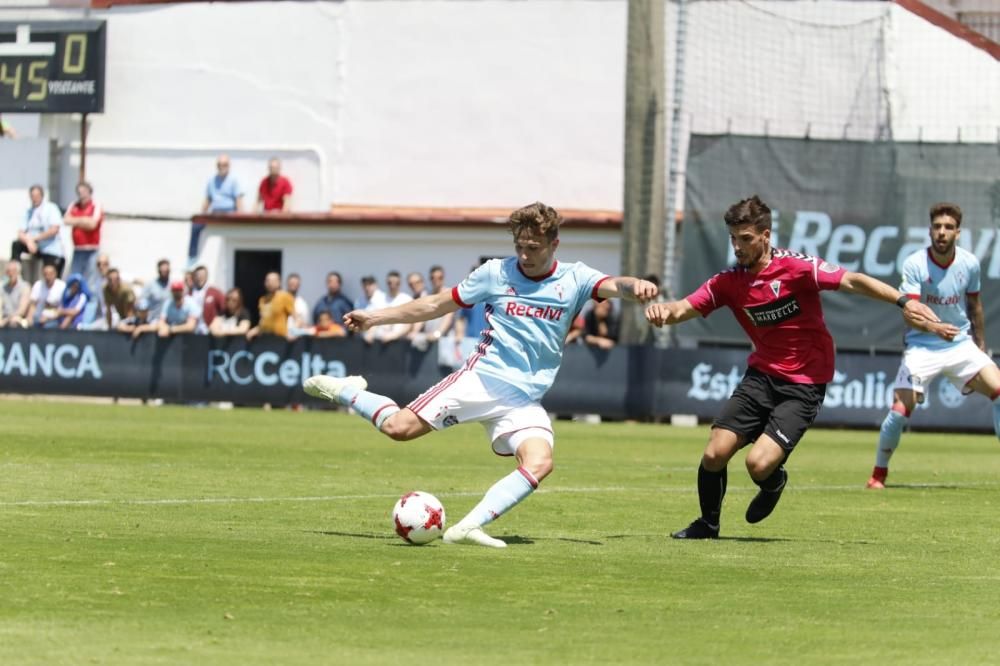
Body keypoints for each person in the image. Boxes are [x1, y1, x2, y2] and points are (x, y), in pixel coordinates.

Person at [304, 202, 658, 548]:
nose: (525, 255)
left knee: (541, 461)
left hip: (524, 399)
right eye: (519, 246)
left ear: (554, 244)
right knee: (399, 428)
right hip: (480, 380)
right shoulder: (494, 273)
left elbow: (616, 285)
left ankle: (468, 527)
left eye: (533, 247)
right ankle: (347, 391)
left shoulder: (576, 278)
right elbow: (435, 304)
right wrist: (376, 316)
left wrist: (637, 286)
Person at [644, 195, 940, 539]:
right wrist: (664, 310)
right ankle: (707, 524)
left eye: (746, 239)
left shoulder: (798, 268)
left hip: (804, 383)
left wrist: (904, 301)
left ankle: (773, 483)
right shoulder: (729, 281)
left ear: (765, 236)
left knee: (758, 465)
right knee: (714, 453)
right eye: (733, 239)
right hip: (760, 377)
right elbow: (685, 307)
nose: (737, 247)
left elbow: (853, 280)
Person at [867, 202, 1000, 489]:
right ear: (929, 231)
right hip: (922, 346)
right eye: (937, 227)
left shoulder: (969, 263)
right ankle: (879, 473)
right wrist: (935, 327)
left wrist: (980, 346)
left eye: (948, 227)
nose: (942, 232)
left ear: (958, 233)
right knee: (900, 411)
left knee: (999, 391)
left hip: (958, 343)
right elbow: (910, 313)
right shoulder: (915, 263)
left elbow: (975, 307)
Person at [193, 154, 243, 260]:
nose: (222, 167)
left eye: (224, 165)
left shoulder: (233, 180)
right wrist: (201, 215)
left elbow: (238, 200)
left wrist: (240, 217)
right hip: (215, 213)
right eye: (219, 165)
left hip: (229, 213)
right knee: (196, 225)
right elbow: (208, 200)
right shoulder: (212, 181)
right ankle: (192, 256)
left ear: (228, 166)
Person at [11, 185, 65, 276]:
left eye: (37, 196)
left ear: (42, 196)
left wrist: (34, 239)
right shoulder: (29, 212)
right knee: (16, 245)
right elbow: (20, 233)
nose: (34, 199)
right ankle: (14, 272)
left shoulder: (51, 208)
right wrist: (28, 242)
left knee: (51, 277)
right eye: (32, 196)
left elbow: (54, 230)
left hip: (51, 249)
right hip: (36, 248)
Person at [63, 181, 104, 295]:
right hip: (78, 249)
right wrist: (84, 220)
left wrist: (76, 220)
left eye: (84, 192)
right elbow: (66, 220)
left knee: (91, 281)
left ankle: (89, 305)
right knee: (74, 280)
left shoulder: (96, 205)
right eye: (79, 192)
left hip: (92, 249)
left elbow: (92, 225)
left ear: (89, 192)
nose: (81, 194)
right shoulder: (74, 205)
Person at [246, 271, 295, 340]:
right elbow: (263, 321)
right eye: (268, 280)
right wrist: (254, 331)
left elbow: (295, 317)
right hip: (265, 338)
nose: (270, 283)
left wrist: (293, 333)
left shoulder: (285, 297)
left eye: (273, 281)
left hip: (281, 339)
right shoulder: (262, 300)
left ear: (279, 282)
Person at [189, 265, 225, 334]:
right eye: (198, 275)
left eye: (202, 275)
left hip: (208, 331)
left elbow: (224, 309)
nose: (200, 277)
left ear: (207, 276)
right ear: (194, 277)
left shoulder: (214, 292)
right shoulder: (189, 293)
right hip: (193, 331)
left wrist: (217, 322)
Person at [29, 263, 66, 328]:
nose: (48, 277)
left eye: (50, 274)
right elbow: (33, 305)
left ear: (55, 274)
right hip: (38, 318)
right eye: (45, 274)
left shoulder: (62, 286)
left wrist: (49, 317)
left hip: (54, 319)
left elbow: (62, 307)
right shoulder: (38, 285)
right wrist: (30, 318)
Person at [0, 260, 31, 328]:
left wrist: (7, 320)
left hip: (19, 320)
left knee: (14, 322)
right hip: (5, 319)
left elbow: (21, 311)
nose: (10, 273)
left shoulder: (25, 287)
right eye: (8, 271)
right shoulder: (2, 288)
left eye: (13, 271)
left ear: (18, 272)